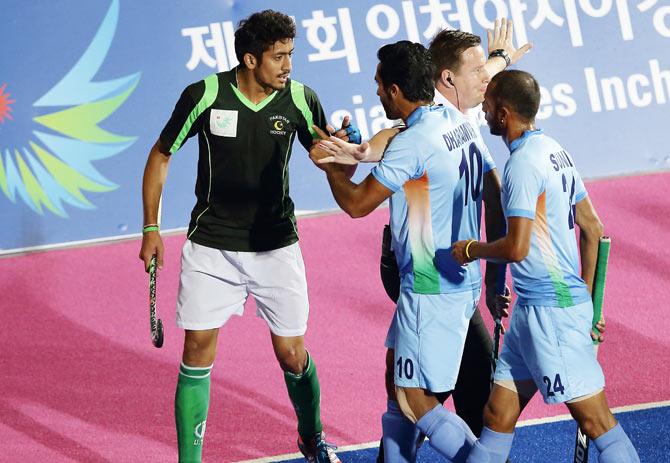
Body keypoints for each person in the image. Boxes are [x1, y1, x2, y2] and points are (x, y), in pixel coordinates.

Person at [138, 10, 357, 463]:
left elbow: (329, 158)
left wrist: (344, 148)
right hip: (211, 246)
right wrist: (151, 227)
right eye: (279, 57)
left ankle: (311, 436)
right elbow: (161, 155)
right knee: (196, 350)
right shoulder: (205, 95)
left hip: (276, 244)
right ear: (250, 59)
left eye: (291, 55)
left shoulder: (299, 98)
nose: (288, 65)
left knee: (293, 355)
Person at [315, 21, 531, 463]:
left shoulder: (414, 142)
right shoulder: (456, 119)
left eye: (379, 87)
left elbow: (357, 205)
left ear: (396, 90)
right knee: (399, 389)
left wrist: (335, 172)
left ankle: (481, 459)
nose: (377, 94)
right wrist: (503, 60)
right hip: (461, 279)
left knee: (415, 399)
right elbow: (475, 83)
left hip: (430, 285)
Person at [451, 70, 639, 462]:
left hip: (550, 313)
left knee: (596, 423)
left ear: (503, 114)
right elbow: (594, 228)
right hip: (532, 313)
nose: (483, 111)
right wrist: (587, 301)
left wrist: (472, 249)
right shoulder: (556, 150)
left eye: (487, 106)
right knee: (496, 414)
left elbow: (517, 248)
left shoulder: (521, 165)